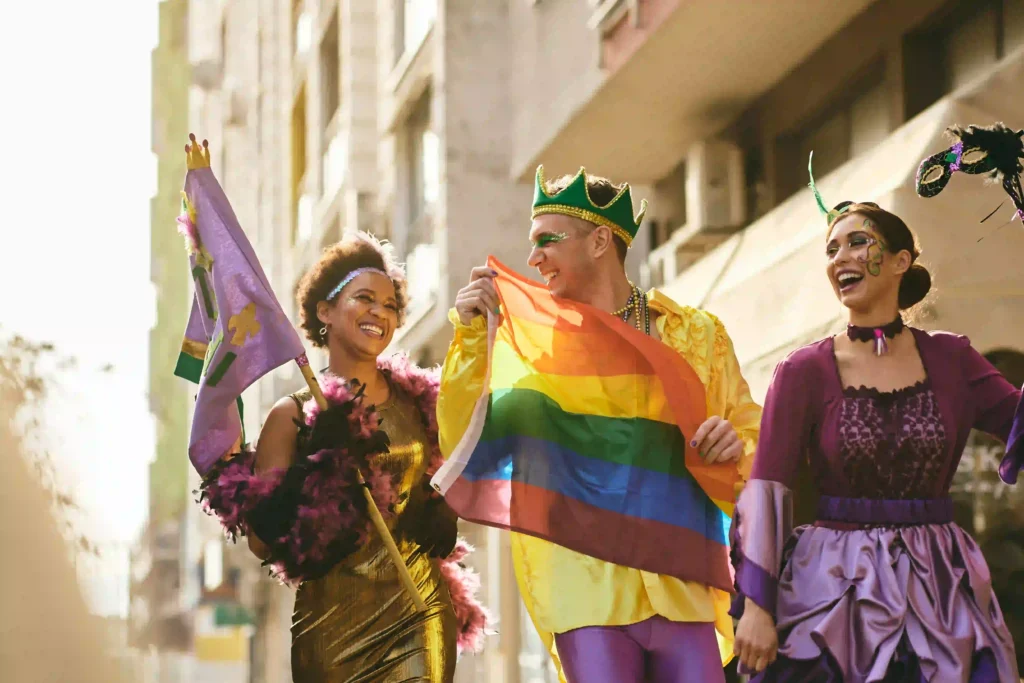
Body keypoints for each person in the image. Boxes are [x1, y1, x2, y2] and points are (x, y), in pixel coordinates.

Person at [437, 167, 763, 682]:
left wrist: (734, 443)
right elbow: (465, 445)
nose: (533, 257)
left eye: (548, 239)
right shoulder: (532, 353)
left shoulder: (694, 336)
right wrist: (473, 341)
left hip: (684, 586)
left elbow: (753, 439)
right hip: (584, 595)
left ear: (600, 241)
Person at [731, 179, 1024, 679]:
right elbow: (768, 487)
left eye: (857, 242)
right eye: (831, 249)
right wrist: (756, 605)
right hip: (834, 588)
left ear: (900, 261)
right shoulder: (803, 370)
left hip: (941, 587)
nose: (839, 257)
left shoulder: (954, 358)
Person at [204, 232, 489, 682]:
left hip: (420, 611)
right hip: (331, 629)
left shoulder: (420, 401)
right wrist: (312, 465)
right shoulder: (292, 415)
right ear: (325, 312)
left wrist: (444, 508)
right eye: (364, 298)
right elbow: (262, 541)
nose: (381, 312)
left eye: (391, 304)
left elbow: (465, 461)